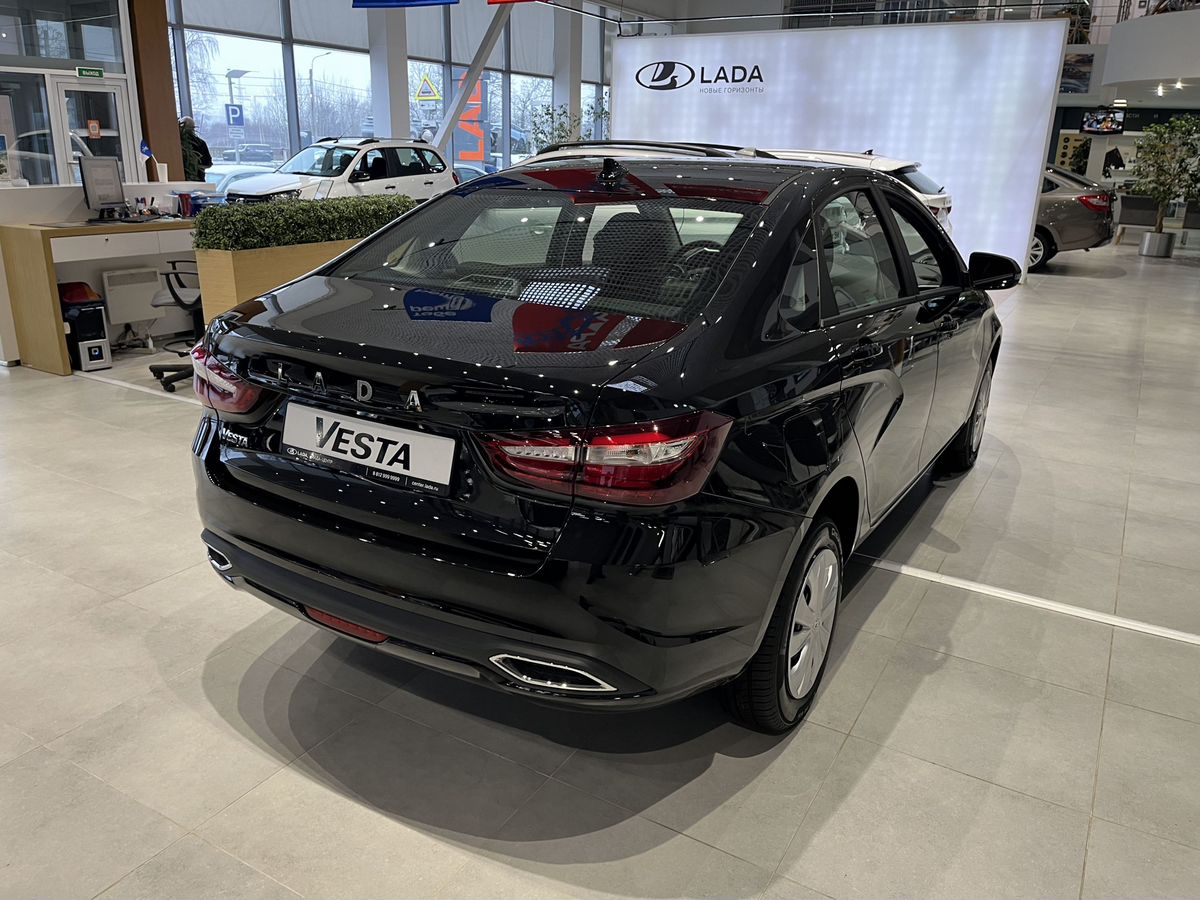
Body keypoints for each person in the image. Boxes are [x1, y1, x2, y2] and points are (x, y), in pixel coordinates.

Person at [179, 116, 212, 182]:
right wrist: (197, 167)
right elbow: (208, 164)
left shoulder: (178, 143)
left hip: (182, 180)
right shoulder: (201, 143)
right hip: (199, 180)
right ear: (193, 128)